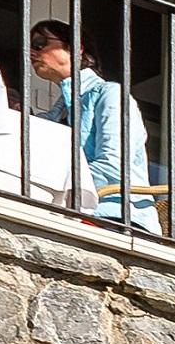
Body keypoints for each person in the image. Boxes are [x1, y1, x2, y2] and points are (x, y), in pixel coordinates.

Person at [24, 17, 162, 229]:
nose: (32, 52)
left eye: (40, 44)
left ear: (76, 48)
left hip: (116, 218)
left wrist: (60, 187)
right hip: (73, 216)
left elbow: (114, 167)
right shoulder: (55, 114)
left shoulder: (110, 94)